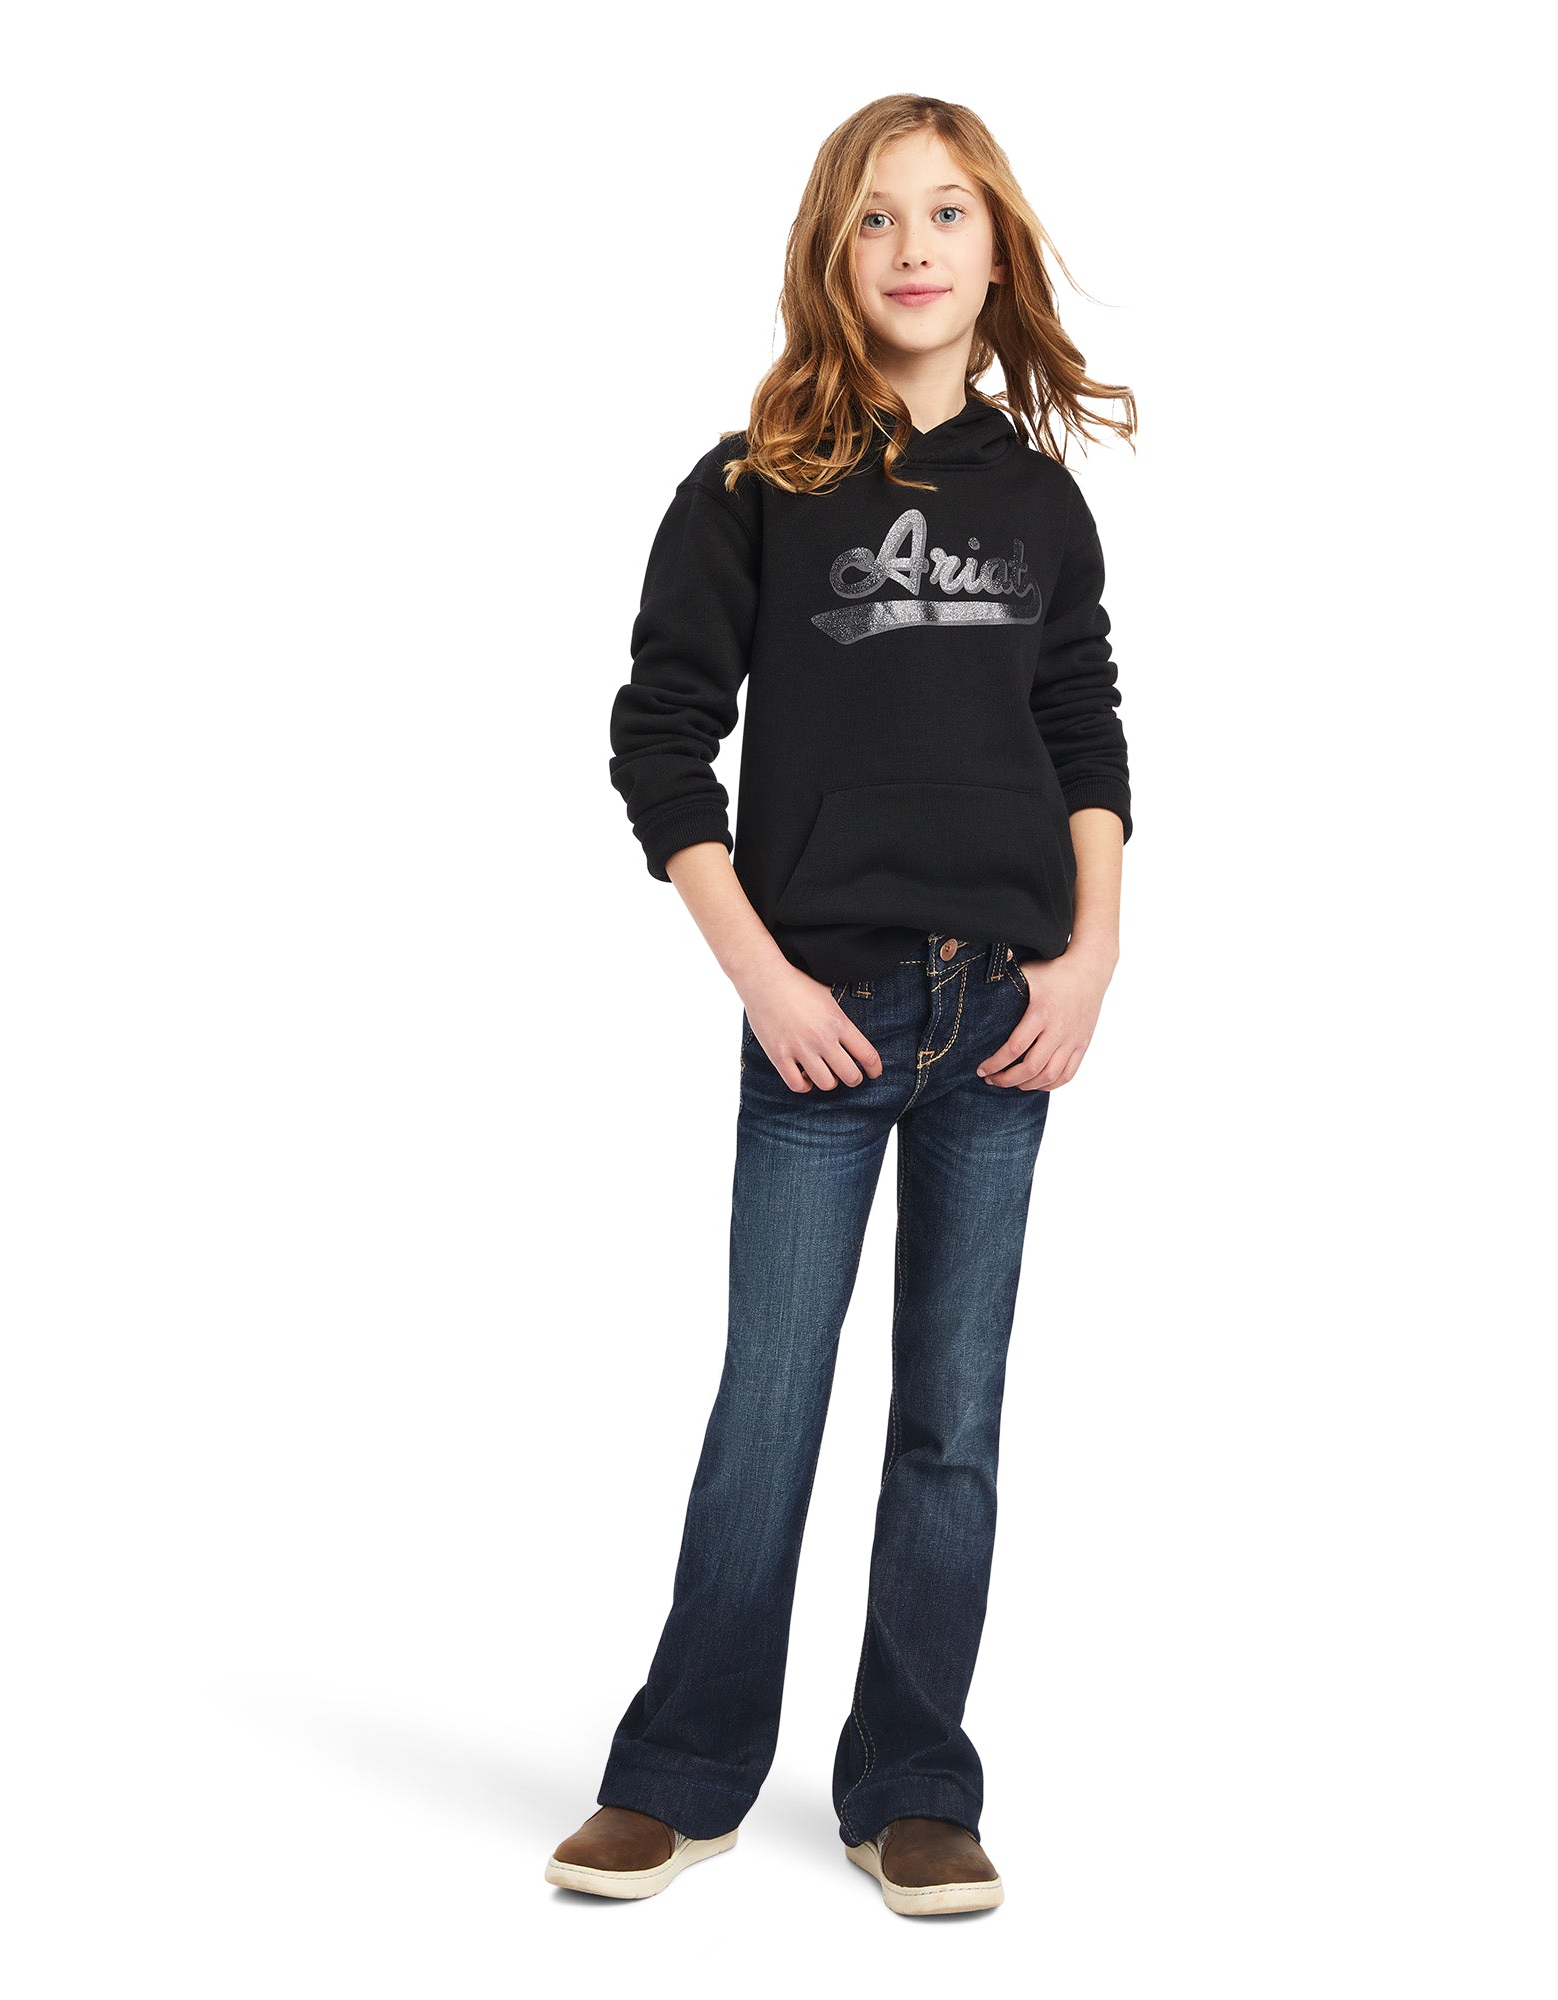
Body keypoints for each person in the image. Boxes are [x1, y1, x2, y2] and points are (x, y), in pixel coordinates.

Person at [545, 92, 1136, 1917]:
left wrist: (1094, 955)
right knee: (771, 1403)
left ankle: (911, 1784)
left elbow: (1085, 727)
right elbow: (660, 743)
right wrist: (766, 977)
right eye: (876, 217)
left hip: (1005, 1021)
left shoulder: (1040, 501)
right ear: (831, 252)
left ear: (995, 250)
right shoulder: (752, 488)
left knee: (953, 1418)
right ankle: (683, 1774)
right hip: (825, 1014)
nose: (912, 248)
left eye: (947, 214)